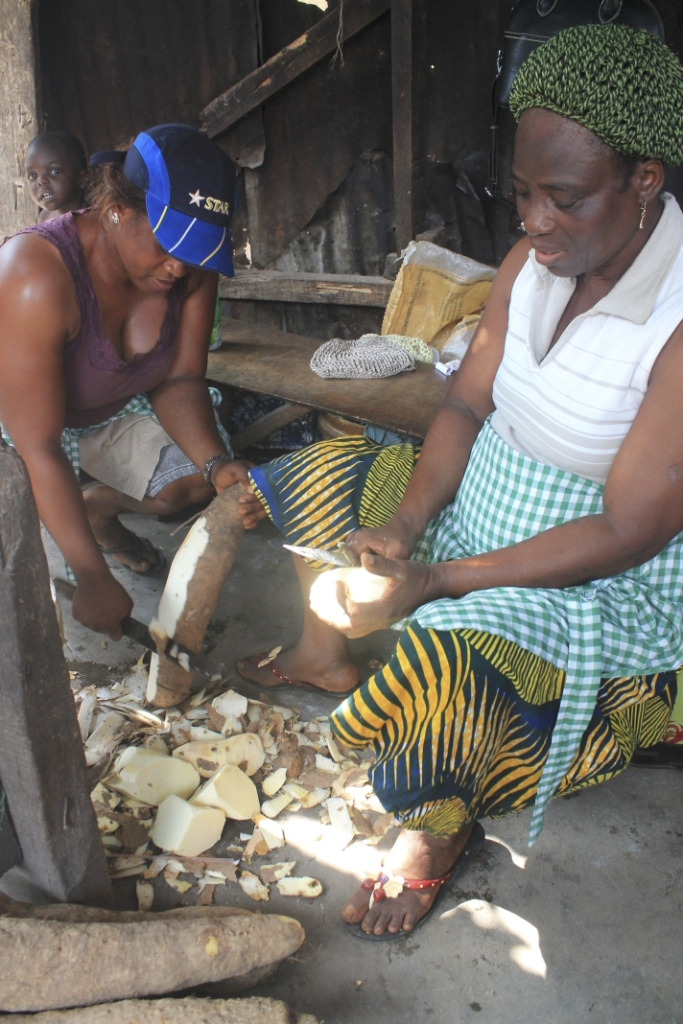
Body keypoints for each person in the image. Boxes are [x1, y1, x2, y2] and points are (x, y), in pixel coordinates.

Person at [220, 24, 683, 938]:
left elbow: (629, 529)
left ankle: (438, 825)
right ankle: (326, 654)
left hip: (594, 569)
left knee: (446, 661)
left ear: (642, 183)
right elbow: (466, 409)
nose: (533, 221)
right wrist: (406, 527)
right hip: (480, 503)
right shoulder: (535, 261)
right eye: (521, 193)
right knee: (320, 480)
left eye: (563, 198)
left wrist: (434, 581)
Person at [0, 124, 256, 637]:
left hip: (106, 407)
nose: (180, 268)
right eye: (171, 243)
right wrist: (92, 576)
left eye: (197, 249)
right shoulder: (34, 273)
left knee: (193, 480)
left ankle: (98, 511)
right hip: (21, 424)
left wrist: (216, 463)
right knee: (18, 574)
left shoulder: (190, 267)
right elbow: (39, 444)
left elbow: (180, 378)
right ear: (117, 209)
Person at [25, 132, 89, 222]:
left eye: (55, 171)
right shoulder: (45, 217)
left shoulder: (93, 220)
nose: (41, 181)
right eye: (33, 175)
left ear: (82, 179)